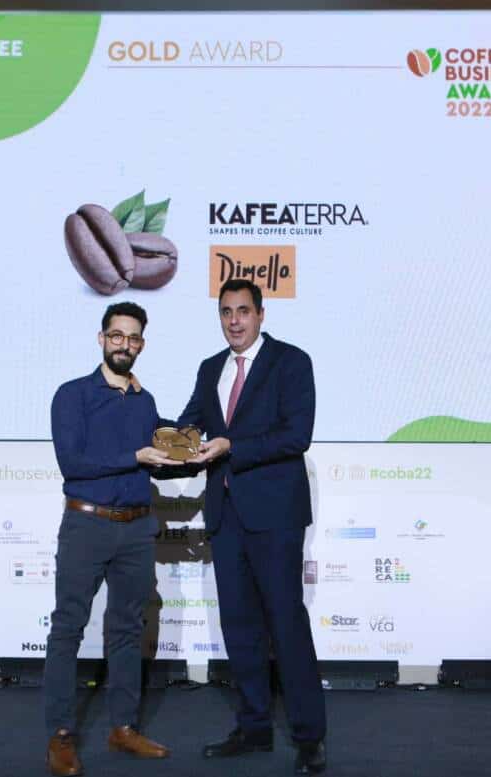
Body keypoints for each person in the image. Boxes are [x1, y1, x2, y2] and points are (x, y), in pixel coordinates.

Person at [179, 279, 327, 774]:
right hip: (225, 517)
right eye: (226, 312)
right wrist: (162, 441)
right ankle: (254, 727)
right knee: (239, 628)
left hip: (275, 517)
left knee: (286, 625)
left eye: (243, 310)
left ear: (261, 314)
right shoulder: (209, 368)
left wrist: (231, 446)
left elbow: (296, 435)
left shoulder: (292, 362)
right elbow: (191, 426)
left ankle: (309, 737)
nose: (234, 320)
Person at [44, 301, 180, 777]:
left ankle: (123, 727)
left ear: (142, 344)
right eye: (117, 335)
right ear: (102, 338)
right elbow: (73, 463)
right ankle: (61, 735)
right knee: (68, 628)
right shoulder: (72, 395)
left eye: (133, 337)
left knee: (126, 630)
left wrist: (195, 455)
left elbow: (156, 460)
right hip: (87, 524)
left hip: (137, 528)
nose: (125, 344)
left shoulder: (145, 401)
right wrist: (135, 456)